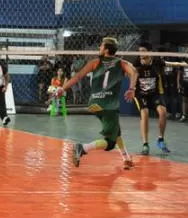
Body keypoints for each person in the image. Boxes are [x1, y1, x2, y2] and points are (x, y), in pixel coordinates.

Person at [54, 37, 137, 170]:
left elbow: (78, 76)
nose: (99, 48)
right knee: (110, 143)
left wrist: (62, 88)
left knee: (116, 131)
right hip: (109, 106)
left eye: (101, 46)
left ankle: (126, 158)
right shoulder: (121, 63)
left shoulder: (95, 62)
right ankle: (82, 148)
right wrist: (132, 88)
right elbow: (134, 72)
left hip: (94, 103)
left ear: (106, 50)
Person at [133, 44, 170, 156]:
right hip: (141, 94)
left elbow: (171, 64)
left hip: (155, 94)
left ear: (149, 52)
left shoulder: (157, 62)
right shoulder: (136, 63)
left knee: (163, 112)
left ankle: (160, 140)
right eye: (139, 51)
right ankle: (145, 144)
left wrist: (184, 64)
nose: (141, 53)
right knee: (145, 113)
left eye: (143, 51)